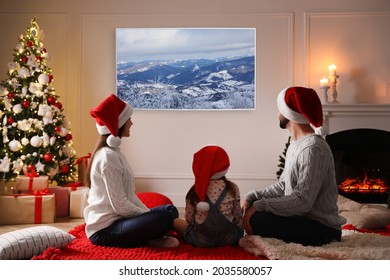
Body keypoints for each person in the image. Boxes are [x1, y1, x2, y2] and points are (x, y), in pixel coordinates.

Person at [241, 86, 346, 246]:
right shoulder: (296, 144)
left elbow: (303, 201)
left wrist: (260, 206)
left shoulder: (312, 148)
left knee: (257, 219)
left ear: (289, 114)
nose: (277, 114)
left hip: (323, 230)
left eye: (279, 109)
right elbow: (283, 186)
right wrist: (252, 197)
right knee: (247, 210)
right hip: (301, 219)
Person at [84, 94, 179, 248]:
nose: (132, 123)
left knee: (169, 210)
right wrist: (150, 216)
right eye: (129, 119)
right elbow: (120, 205)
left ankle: (150, 235)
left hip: (121, 220)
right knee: (164, 217)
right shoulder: (108, 158)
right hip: (105, 230)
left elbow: (129, 196)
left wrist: (148, 214)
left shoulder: (115, 153)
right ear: (120, 124)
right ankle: (152, 235)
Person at [174, 145, 244, 247]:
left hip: (200, 240)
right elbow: (237, 217)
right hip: (229, 239)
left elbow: (189, 220)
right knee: (242, 222)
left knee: (175, 221)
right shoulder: (233, 188)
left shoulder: (195, 190)